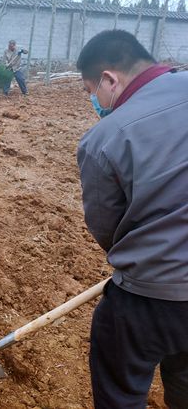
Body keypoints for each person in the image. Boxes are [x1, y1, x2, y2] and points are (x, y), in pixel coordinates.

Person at [76, 30, 188, 408]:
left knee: (120, 388)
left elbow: (106, 226)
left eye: (92, 89)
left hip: (151, 298)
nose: (94, 100)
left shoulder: (104, 139)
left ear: (109, 79)